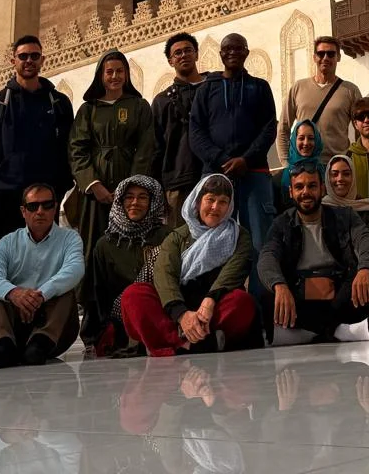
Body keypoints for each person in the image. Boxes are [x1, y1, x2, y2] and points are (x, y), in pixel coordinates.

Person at [121, 175, 259, 356]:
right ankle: (190, 343)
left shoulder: (238, 236)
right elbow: (164, 274)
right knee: (134, 295)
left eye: (223, 202)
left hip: (214, 309)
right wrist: (182, 315)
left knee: (242, 302)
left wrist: (210, 301)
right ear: (197, 202)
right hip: (178, 310)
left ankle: (168, 341)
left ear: (229, 207)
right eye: (210, 200)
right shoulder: (177, 237)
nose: (215, 207)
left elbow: (234, 270)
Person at [259, 163, 369, 344]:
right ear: (291, 192)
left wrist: (365, 269)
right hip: (300, 292)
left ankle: (308, 334)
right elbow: (267, 256)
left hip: (339, 291)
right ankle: (341, 331)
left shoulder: (345, 215)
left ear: (322, 189)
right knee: (270, 293)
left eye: (312, 186)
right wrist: (279, 285)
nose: (306, 192)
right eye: (299, 187)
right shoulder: (281, 223)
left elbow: (367, 241)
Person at [187, 33, 277, 272]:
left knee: (260, 242)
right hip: (216, 175)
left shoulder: (259, 87)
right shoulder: (206, 90)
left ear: (247, 53)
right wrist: (222, 160)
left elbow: (269, 128)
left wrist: (246, 159)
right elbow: (196, 133)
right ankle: (217, 301)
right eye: (228, 49)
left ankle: (259, 303)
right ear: (221, 54)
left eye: (238, 49)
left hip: (254, 172)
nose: (233, 53)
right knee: (212, 239)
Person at [0, 35, 74, 245]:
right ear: (14, 61)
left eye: (34, 56)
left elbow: (68, 146)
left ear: (42, 60)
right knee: (7, 261)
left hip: (45, 200)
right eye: (23, 56)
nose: (29, 60)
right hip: (6, 198)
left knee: (45, 261)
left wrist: (62, 185)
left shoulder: (58, 103)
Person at [0, 182, 85, 368]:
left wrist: (40, 295)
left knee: (65, 290)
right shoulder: (7, 242)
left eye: (47, 205)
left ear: (55, 207)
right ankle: (3, 345)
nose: (40, 211)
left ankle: (39, 344)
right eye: (33, 206)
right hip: (16, 323)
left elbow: (74, 270)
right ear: (23, 211)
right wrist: (14, 293)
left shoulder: (70, 239)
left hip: (53, 329)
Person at [69, 48, 155, 277]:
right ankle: (91, 306)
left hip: (129, 189)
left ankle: (128, 302)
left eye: (120, 71)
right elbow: (77, 149)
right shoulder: (89, 110)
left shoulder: (138, 106)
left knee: (130, 243)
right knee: (93, 244)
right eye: (110, 72)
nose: (115, 76)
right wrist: (93, 184)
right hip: (94, 192)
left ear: (126, 75)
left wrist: (130, 186)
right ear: (101, 76)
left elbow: (146, 148)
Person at [82, 175, 173, 357]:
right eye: (129, 197)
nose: (135, 202)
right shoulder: (105, 245)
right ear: (120, 201)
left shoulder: (167, 237)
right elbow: (97, 296)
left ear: (153, 201)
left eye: (143, 197)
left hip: (158, 314)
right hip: (120, 322)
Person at [277, 36, 362, 162]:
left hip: (336, 167)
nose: (325, 58)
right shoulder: (298, 87)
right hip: (304, 167)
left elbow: (360, 130)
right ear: (314, 57)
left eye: (331, 54)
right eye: (321, 54)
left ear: (338, 57)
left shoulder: (350, 90)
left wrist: (354, 161)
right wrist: (286, 163)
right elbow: (283, 129)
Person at [152, 32, 206, 218]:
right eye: (178, 53)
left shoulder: (213, 89)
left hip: (212, 176)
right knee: (179, 242)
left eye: (188, 50)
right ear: (170, 61)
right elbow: (156, 147)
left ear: (197, 54)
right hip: (177, 183)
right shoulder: (162, 101)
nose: (183, 55)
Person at [325, 154, 369, 237]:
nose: (340, 178)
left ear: (353, 178)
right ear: (327, 178)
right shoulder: (321, 209)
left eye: (346, 174)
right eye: (334, 174)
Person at [278, 119, 325, 206]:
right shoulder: (281, 178)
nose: (306, 143)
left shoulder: (325, 173)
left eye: (311, 138)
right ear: (294, 141)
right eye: (301, 138)